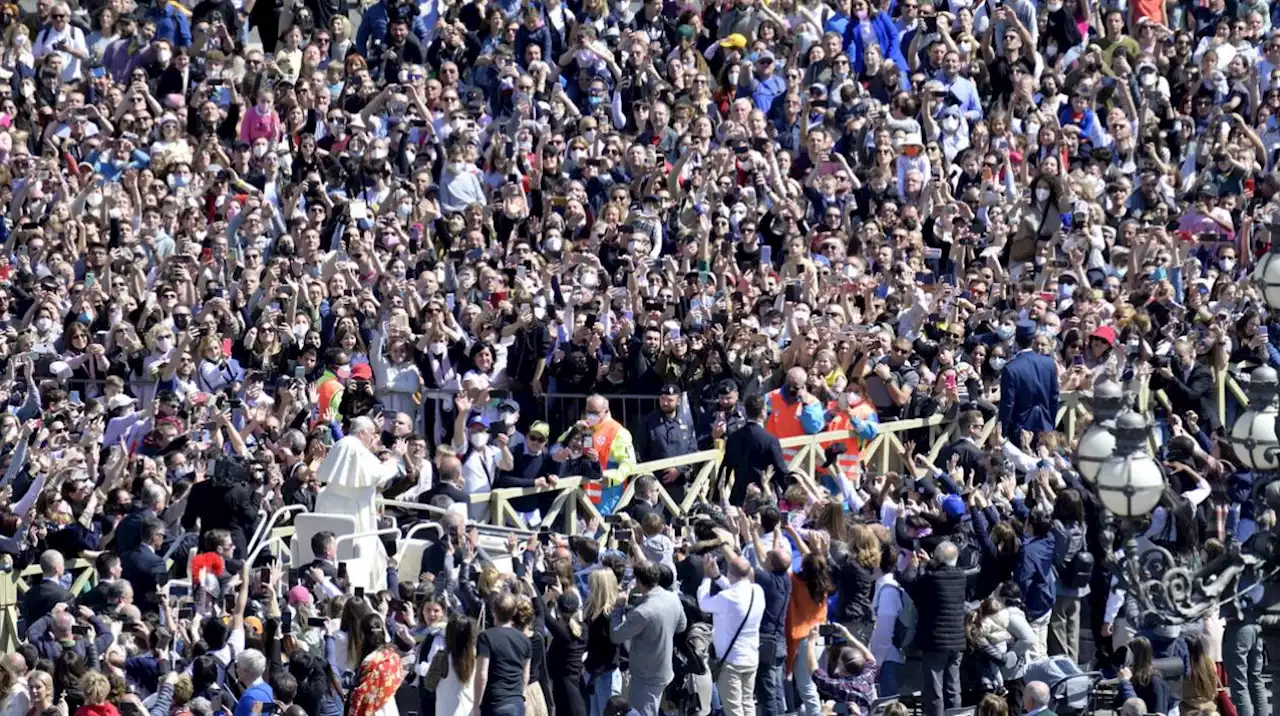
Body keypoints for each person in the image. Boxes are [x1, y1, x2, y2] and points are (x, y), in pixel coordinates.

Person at [609, 561, 686, 716]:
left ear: (638, 581)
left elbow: (616, 636)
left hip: (646, 677)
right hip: (664, 669)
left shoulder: (642, 612)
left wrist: (618, 607)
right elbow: (682, 626)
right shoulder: (673, 598)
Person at [900, 542, 968, 716]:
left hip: (936, 642)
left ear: (938, 559)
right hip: (957, 641)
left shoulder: (930, 580)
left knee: (934, 690)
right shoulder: (961, 576)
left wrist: (915, 565)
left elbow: (908, 582)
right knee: (953, 687)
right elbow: (943, 572)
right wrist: (930, 562)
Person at [696, 556, 764, 716]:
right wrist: (718, 577)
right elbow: (734, 590)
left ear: (730, 572)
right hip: (751, 657)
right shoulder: (757, 591)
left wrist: (707, 576)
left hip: (731, 662)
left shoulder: (727, 597)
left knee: (733, 709)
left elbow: (703, 602)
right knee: (747, 703)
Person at [473, 593, 531, 716]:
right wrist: (523, 696)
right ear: (514, 611)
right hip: (517, 702)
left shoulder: (486, 637)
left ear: (493, 610)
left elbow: (482, 674)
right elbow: (525, 675)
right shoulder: (525, 639)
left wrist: (476, 704)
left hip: (494, 703)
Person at [999, 321, 1059, 437]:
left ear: (1016, 340)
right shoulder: (1049, 363)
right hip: (1045, 426)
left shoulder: (1011, 368)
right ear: (1033, 341)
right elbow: (1054, 398)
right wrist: (1051, 424)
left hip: (1019, 429)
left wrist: (1003, 432)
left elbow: (1008, 405)